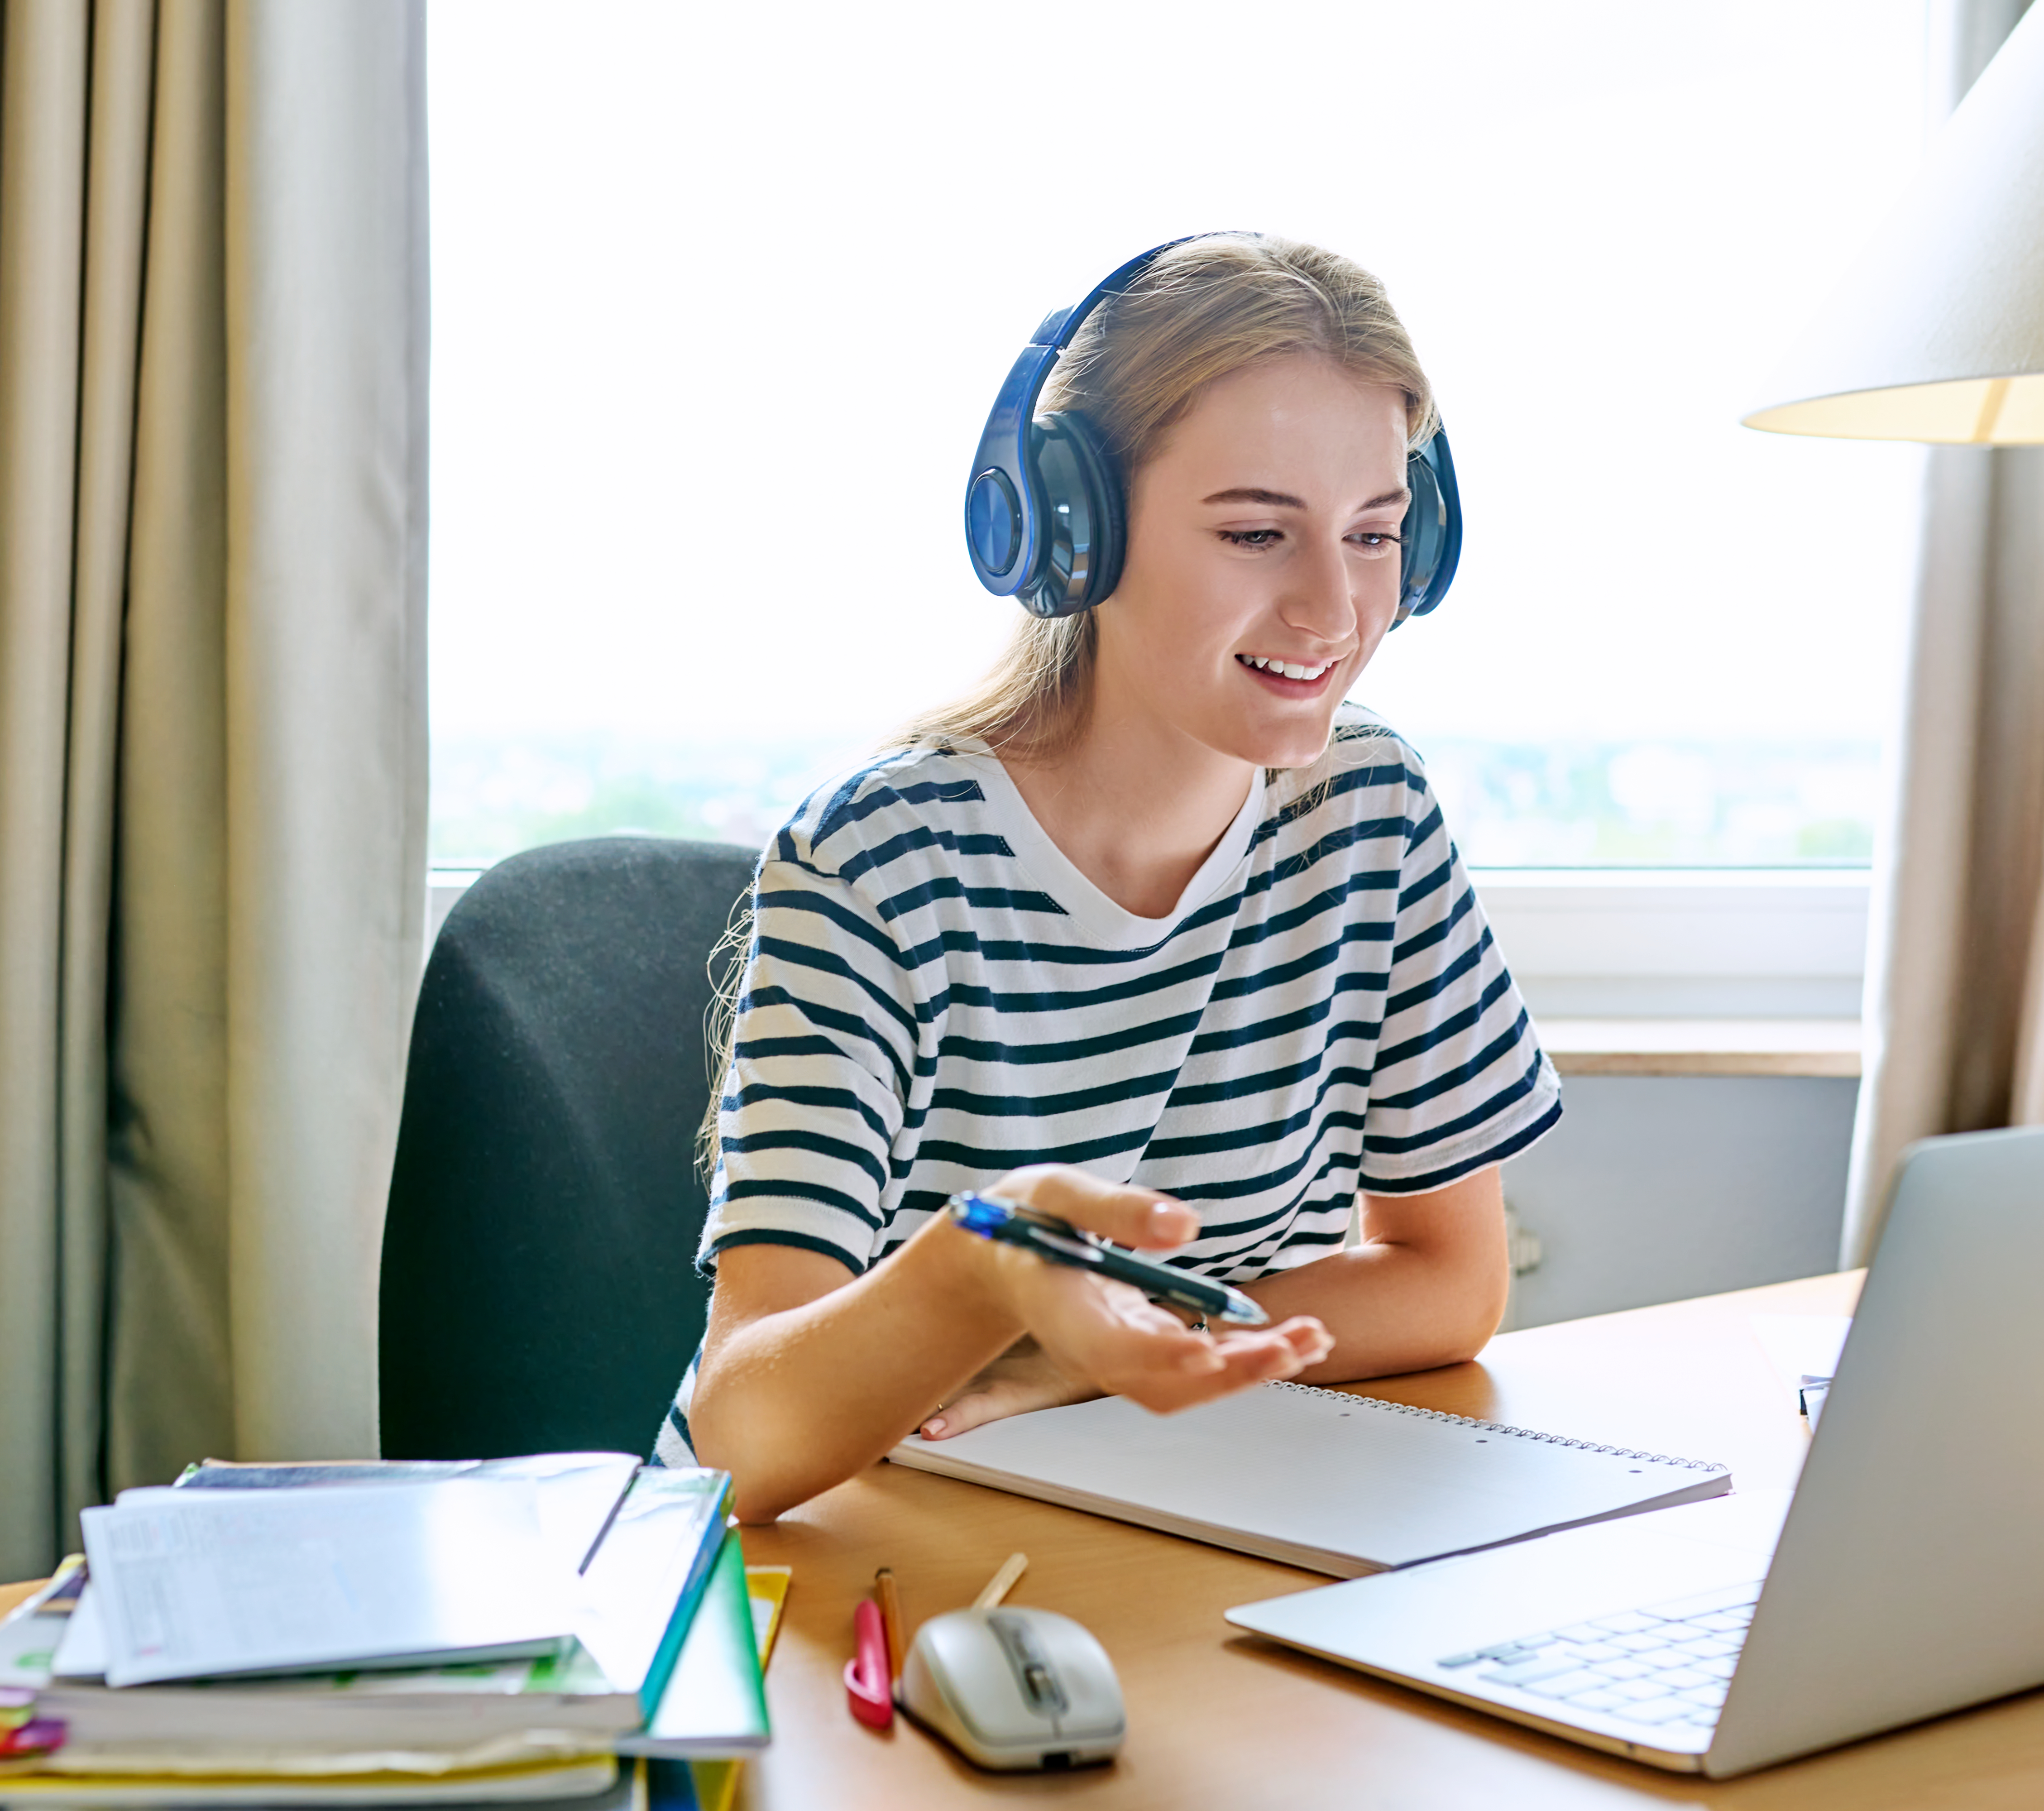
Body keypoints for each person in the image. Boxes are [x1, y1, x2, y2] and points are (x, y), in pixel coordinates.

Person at [662, 234, 1561, 1523]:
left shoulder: (1373, 814)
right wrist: (988, 1273)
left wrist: (1082, 1360)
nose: (1334, 608)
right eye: (1258, 533)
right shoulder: (881, 862)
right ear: (1073, 533)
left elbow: (1451, 1285)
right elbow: (739, 1430)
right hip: (876, 1555)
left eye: (1374, 534)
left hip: (1175, 1507)